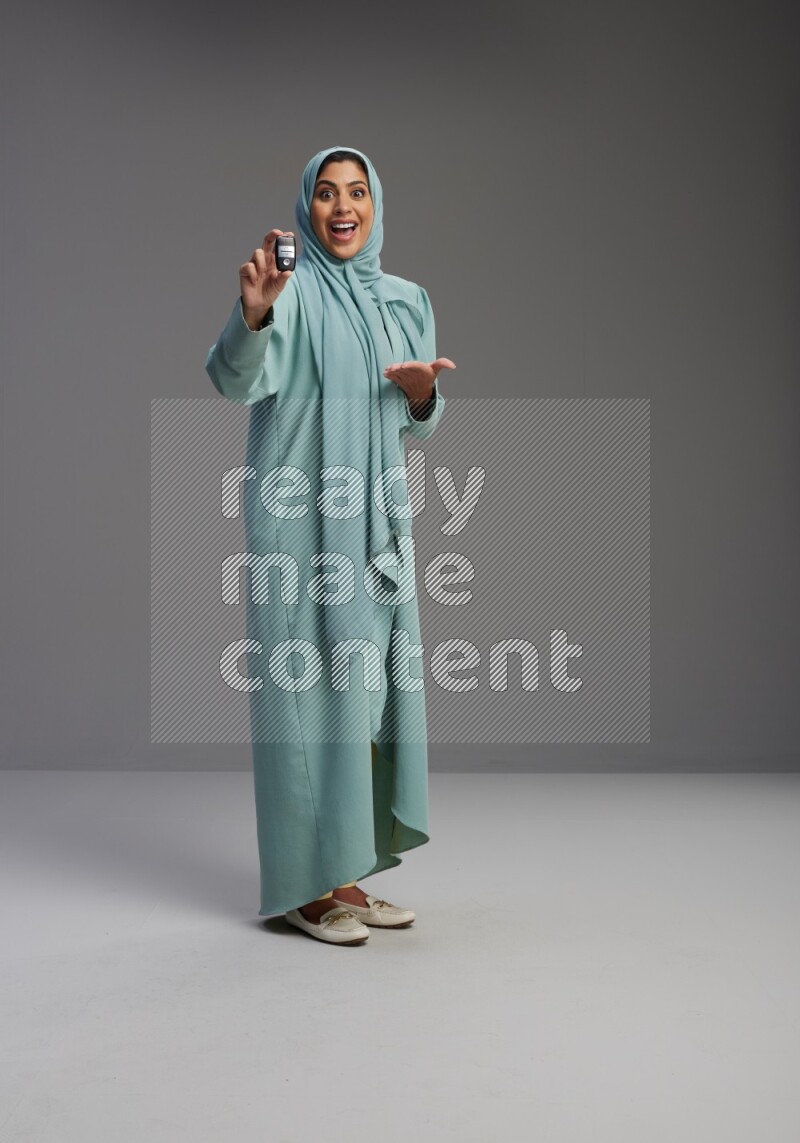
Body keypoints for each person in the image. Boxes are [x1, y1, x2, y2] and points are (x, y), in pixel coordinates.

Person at [205, 145, 454, 946]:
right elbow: (235, 380)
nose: (342, 206)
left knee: (368, 698)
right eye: (325, 193)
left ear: (376, 205)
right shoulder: (291, 292)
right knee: (305, 702)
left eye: (357, 192)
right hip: (299, 526)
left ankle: (346, 872)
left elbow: (418, 420)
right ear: (306, 209)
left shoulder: (407, 300)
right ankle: (302, 889)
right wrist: (253, 315)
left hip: (376, 526)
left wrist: (424, 395)